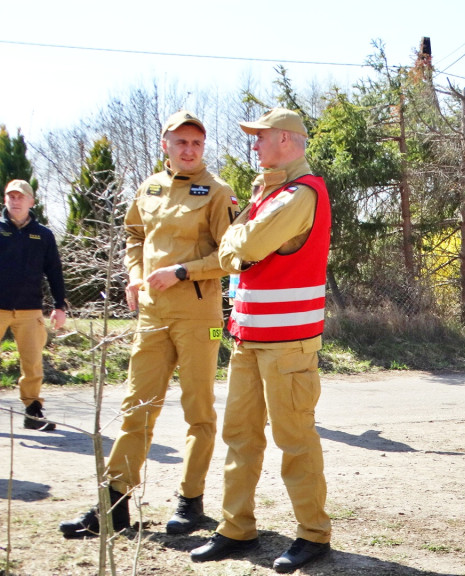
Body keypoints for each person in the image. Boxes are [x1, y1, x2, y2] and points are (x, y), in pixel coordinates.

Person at [59, 111, 237, 538]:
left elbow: (230, 257)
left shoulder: (218, 192)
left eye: (196, 143)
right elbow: (135, 236)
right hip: (153, 314)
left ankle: (191, 501)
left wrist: (181, 272)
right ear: (166, 146)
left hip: (200, 317)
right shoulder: (150, 187)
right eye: (181, 142)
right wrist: (134, 276)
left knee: (199, 411)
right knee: (136, 407)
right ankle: (114, 504)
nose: (189, 150)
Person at [190, 108, 332, 574]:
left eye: (261, 137)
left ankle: (313, 534)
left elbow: (244, 249)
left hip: (288, 343)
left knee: (295, 440)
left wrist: (238, 242)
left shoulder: (301, 194)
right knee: (240, 437)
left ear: (286, 140)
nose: (254, 145)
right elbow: (232, 251)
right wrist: (240, 241)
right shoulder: (270, 193)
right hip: (248, 337)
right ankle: (236, 528)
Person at [1, 179, 66, 431]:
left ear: (31, 201)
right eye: (11, 196)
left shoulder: (44, 235)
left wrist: (59, 306)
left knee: (33, 364)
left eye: (21, 197)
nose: (15, 201)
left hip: (30, 310)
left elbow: (54, 272)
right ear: (5, 199)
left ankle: (33, 412)